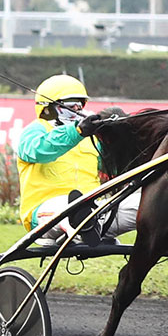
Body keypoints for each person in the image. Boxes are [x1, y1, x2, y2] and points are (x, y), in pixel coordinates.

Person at [16, 74, 140, 244]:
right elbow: (41, 151)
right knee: (73, 206)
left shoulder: (91, 138)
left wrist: (121, 138)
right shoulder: (34, 131)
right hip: (45, 214)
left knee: (149, 203)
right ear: (48, 107)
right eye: (70, 105)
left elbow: (118, 170)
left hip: (95, 209)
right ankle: (82, 229)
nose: (77, 109)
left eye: (80, 104)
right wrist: (77, 132)